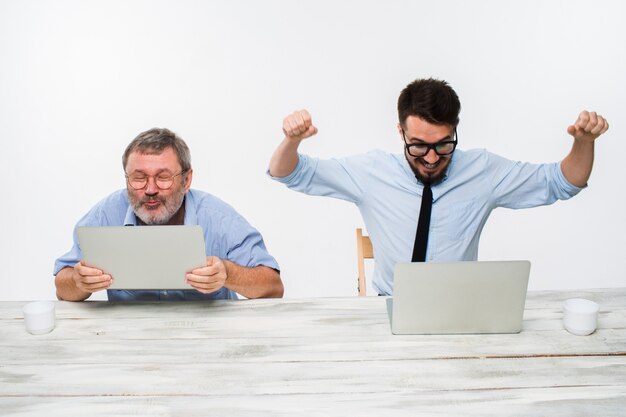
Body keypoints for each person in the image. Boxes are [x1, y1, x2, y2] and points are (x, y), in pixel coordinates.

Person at [268, 78, 609, 296]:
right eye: (418, 145)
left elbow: (563, 182)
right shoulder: (371, 172)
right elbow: (287, 173)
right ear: (400, 132)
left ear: (456, 129)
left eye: (444, 144)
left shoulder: (483, 171)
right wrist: (291, 141)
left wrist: (584, 142)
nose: (431, 157)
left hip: (459, 310)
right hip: (388, 308)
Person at [55, 128, 283, 301]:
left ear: (186, 180)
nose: (150, 189)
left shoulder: (218, 218)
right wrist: (78, 281)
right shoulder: (106, 214)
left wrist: (228, 273)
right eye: (139, 177)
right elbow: (61, 286)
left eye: (163, 177)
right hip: (128, 342)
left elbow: (273, 287)